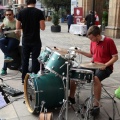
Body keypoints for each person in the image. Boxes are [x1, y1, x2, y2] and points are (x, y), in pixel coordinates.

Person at [69, 25, 118, 116]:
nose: (90, 40)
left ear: (98, 35)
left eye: (92, 38)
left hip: (106, 67)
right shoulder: (93, 42)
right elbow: (92, 55)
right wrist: (80, 52)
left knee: (96, 79)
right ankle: (71, 97)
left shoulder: (109, 41)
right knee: (75, 72)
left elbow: (115, 57)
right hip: (94, 65)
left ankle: (96, 106)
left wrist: (105, 65)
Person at [16, 0, 45, 84]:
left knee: (25, 59)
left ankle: (24, 79)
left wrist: (25, 26)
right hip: (36, 40)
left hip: (26, 40)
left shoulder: (21, 12)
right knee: (35, 60)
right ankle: (34, 79)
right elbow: (42, 28)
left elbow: (18, 27)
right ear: (35, 2)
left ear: (26, 2)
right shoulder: (39, 12)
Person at [0, 9, 21, 75]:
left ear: (13, 15)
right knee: (1, 42)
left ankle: (4, 69)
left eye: (10, 15)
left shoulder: (16, 22)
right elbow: (2, 27)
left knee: (8, 49)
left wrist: (16, 32)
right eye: (7, 15)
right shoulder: (5, 20)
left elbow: (19, 35)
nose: (8, 16)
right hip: (7, 38)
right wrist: (0, 27)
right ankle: (8, 56)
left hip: (15, 39)